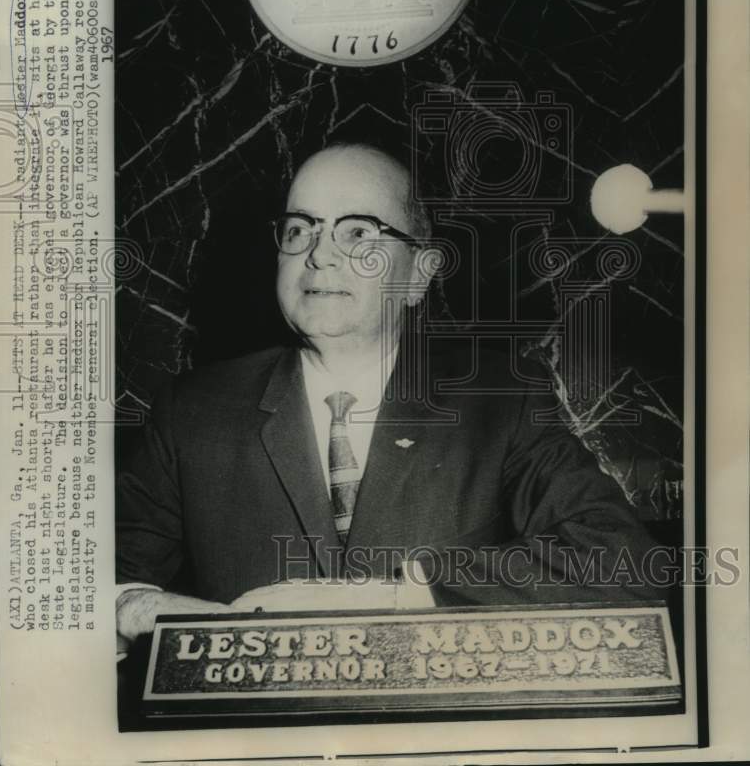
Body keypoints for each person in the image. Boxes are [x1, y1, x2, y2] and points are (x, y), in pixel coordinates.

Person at [116, 142, 661, 645]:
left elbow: (619, 561)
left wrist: (398, 595)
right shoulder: (191, 411)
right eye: (299, 229)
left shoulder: (500, 401)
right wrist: (165, 615)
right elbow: (82, 585)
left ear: (420, 274)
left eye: (357, 232)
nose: (319, 255)